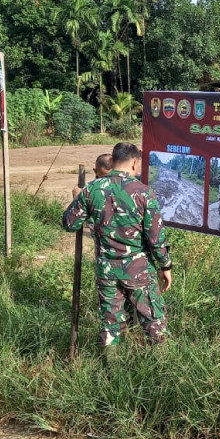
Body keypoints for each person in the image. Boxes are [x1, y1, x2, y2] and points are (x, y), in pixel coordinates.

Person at [62, 142, 173, 351]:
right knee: (154, 323)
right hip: (139, 271)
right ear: (134, 163)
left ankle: (110, 367)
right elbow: (156, 238)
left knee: (110, 325)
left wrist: (77, 198)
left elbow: (70, 223)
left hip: (107, 271)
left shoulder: (92, 190)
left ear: (112, 161)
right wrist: (165, 266)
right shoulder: (144, 192)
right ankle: (162, 366)